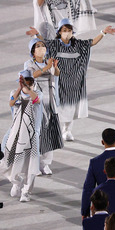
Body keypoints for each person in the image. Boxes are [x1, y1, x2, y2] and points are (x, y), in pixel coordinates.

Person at [26, 19, 115, 141]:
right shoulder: (54, 44)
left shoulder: (77, 44)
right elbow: (44, 42)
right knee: (56, 107)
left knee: (71, 107)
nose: (67, 33)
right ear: (59, 32)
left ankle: (67, 130)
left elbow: (91, 43)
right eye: (64, 30)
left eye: (69, 30)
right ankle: (53, 131)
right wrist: (37, 34)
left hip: (74, 82)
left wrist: (103, 32)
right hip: (59, 81)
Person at [1, 70, 42, 202]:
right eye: (24, 81)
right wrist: (20, 88)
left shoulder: (37, 93)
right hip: (16, 135)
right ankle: (16, 182)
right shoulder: (15, 94)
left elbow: (36, 99)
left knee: (31, 166)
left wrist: (28, 89)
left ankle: (26, 191)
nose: (27, 84)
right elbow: (11, 103)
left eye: (29, 82)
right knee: (10, 162)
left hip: (32, 137)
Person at [24, 39, 64, 176]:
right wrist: (46, 68)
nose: (42, 48)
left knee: (49, 133)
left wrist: (55, 66)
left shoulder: (49, 61)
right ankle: (34, 164)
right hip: (36, 103)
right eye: (38, 46)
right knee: (37, 133)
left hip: (50, 102)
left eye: (43, 46)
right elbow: (30, 77)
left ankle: (46, 164)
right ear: (33, 51)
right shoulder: (29, 64)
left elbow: (56, 74)